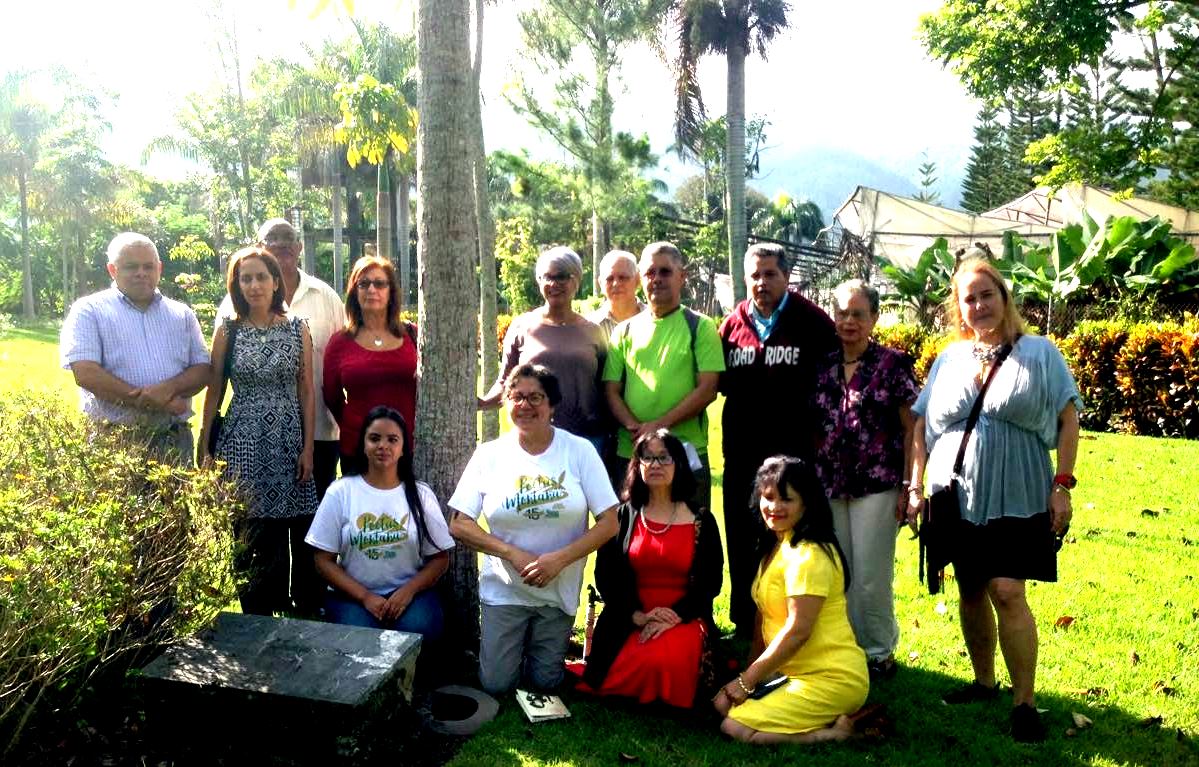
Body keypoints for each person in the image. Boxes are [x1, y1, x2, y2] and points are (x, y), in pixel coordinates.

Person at [908, 253, 1081, 742]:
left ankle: (1024, 702)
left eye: (988, 295)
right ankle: (984, 682)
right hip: (954, 493)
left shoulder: (1040, 352)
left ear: (1005, 299)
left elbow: (1070, 420)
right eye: (970, 299)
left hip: (1020, 489)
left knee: (1007, 589)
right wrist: (917, 487)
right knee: (969, 588)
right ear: (959, 309)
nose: (980, 305)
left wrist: (1062, 486)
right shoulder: (947, 359)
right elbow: (920, 425)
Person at [449, 364, 619, 695]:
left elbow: (610, 521)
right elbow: (459, 523)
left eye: (536, 397)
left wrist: (559, 560)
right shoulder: (489, 455)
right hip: (505, 590)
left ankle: (534, 655)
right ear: (506, 402)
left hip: (558, 591)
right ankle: (509, 653)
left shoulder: (579, 451)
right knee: (497, 685)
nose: (525, 405)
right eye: (517, 397)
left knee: (545, 684)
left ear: (552, 404)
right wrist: (511, 553)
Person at [718, 243, 837, 638]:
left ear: (786, 276)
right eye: (755, 275)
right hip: (740, 455)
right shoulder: (732, 326)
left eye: (770, 274)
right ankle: (744, 620)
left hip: (793, 455)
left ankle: (788, 620)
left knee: (789, 536)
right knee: (741, 535)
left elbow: (835, 379)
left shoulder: (812, 322)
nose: (761, 282)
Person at [714, 456, 868, 745]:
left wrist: (747, 681)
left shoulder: (809, 555)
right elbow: (763, 619)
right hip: (790, 673)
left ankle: (836, 734)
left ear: (806, 504)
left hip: (832, 677)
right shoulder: (778, 543)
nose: (774, 507)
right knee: (722, 706)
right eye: (768, 497)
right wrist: (747, 678)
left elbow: (799, 630)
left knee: (735, 728)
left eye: (787, 499)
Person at [200, 246, 319, 616]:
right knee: (249, 531)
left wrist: (309, 448)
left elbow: (306, 390)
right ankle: (255, 612)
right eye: (245, 278)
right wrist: (205, 445)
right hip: (242, 440)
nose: (253, 285)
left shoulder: (299, 329)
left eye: (260, 277)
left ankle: (293, 609)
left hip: (287, 440)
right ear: (236, 284)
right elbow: (215, 387)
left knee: (291, 528)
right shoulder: (229, 330)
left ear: (274, 281)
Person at [812, 279, 920, 679]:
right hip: (829, 483)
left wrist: (911, 485)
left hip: (877, 484)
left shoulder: (893, 365)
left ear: (874, 317)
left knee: (871, 576)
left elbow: (913, 428)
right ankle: (844, 647)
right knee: (840, 571)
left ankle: (877, 652)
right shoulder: (822, 364)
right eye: (842, 313)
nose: (849, 321)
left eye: (858, 314)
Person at [581, 429, 723, 708]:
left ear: (679, 464)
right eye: (648, 458)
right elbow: (605, 577)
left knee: (662, 660)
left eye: (664, 458)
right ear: (637, 465)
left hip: (683, 616)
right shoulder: (622, 516)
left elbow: (711, 581)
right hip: (628, 617)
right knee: (628, 663)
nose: (655, 465)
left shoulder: (702, 520)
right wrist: (637, 616)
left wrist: (674, 615)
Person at [217, 218, 345, 498]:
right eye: (272, 238)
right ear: (259, 247)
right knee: (257, 528)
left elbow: (343, 361)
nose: (281, 244)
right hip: (251, 437)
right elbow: (217, 378)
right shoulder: (233, 307)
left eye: (288, 237)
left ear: (299, 246)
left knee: (312, 527)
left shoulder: (327, 297)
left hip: (319, 433)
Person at [60, 232, 210, 464]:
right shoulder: (89, 310)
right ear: (112, 270)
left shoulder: (182, 315)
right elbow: (86, 373)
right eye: (131, 266)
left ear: (159, 268)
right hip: (115, 441)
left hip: (174, 442)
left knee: (174, 501)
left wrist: (167, 389)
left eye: (148, 266)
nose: (141, 273)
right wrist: (146, 399)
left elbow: (202, 370)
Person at [306, 405, 453, 637]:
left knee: (417, 630)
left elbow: (440, 559)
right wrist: (365, 597)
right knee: (360, 638)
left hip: (409, 593)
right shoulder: (341, 492)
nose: (383, 446)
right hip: (352, 595)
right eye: (374, 438)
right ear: (363, 445)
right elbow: (322, 560)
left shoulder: (421, 494)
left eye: (392, 439)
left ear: (403, 448)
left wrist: (408, 592)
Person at [604, 242, 725, 513]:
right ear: (640, 280)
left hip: (685, 452)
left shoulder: (700, 327)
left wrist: (657, 427)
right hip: (632, 452)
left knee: (692, 535)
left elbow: (708, 389)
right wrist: (636, 428)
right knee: (630, 537)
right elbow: (611, 390)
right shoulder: (623, 332)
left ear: (682, 276)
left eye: (665, 272)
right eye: (649, 273)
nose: (656, 279)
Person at [478, 246, 608, 453]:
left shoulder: (593, 332)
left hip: (588, 438)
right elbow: (506, 382)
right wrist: (482, 403)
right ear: (539, 282)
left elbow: (606, 388)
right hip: (535, 438)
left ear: (576, 281)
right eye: (547, 277)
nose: (554, 284)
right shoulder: (522, 326)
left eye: (562, 277)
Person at [323, 256, 418, 463]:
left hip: (407, 449)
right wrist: (355, 425)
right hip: (358, 449)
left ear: (391, 292)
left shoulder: (414, 335)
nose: (371, 290)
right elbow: (331, 396)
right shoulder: (340, 342)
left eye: (380, 283)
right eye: (363, 284)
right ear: (354, 292)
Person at [586, 249, 645, 343]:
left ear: (637, 280)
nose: (616, 284)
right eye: (609, 279)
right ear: (600, 284)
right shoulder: (588, 327)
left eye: (623, 277)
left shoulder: (655, 319)